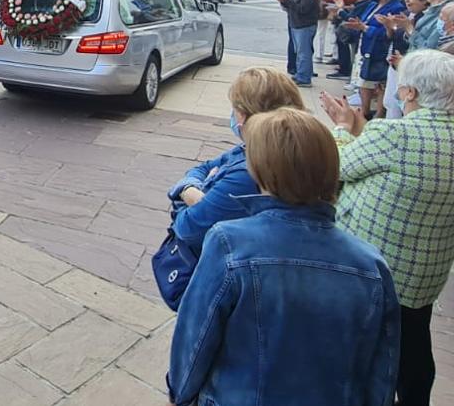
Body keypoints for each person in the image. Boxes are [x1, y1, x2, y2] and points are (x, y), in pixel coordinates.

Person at [167, 107, 400, 406]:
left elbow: (195, 340)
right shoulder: (371, 265)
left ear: (261, 170)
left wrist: (179, 393)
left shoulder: (229, 243)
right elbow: (383, 368)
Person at [321, 50, 454, 406]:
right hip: (424, 275)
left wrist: (342, 127)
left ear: (410, 93)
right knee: (414, 346)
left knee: (362, 351)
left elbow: (338, 166)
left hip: (372, 269)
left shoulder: (394, 133)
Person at [166, 67, 305, 257]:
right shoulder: (256, 149)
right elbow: (204, 167)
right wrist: (194, 190)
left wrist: (186, 191)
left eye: (235, 108)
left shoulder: (248, 173)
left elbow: (187, 228)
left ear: (245, 115)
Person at [342, 0, 404, 114]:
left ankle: (379, 112)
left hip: (381, 48)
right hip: (365, 45)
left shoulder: (396, 7)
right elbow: (365, 22)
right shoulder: (372, 5)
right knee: (364, 80)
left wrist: (365, 28)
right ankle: (364, 111)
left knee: (379, 82)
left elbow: (388, 32)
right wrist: (357, 25)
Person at [274, 0, 321, 87]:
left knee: (303, 52)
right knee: (300, 52)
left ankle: (304, 77)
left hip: (304, 25)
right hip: (297, 24)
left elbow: (303, 9)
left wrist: (287, 1)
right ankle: (301, 73)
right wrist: (284, 0)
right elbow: (294, 4)